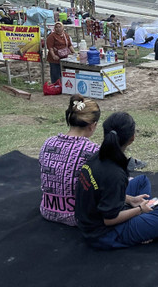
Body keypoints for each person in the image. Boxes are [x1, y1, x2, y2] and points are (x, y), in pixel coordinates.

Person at [74, 112, 158, 250]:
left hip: (90, 219)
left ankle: (139, 219)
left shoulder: (99, 155)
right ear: (132, 138)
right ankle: (140, 228)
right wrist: (138, 209)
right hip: (102, 234)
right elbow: (109, 220)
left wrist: (130, 200)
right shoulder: (115, 173)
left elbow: (100, 191)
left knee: (142, 181)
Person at [39, 95, 101, 226]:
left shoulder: (48, 143)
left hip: (47, 210)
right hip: (77, 215)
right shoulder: (92, 150)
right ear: (92, 125)